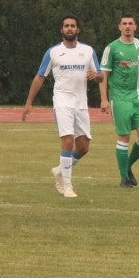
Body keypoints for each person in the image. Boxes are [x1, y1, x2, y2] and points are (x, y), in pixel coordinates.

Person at [22, 14, 100, 199]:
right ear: (61, 29)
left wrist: (96, 76)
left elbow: (101, 76)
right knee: (67, 140)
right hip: (62, 101)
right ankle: (67, 186)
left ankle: (59, 171)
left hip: (81, 103)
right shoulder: (53, 52)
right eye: (66, 26)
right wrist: (29, 102)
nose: (69, 28)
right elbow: (40, 76)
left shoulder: (88, 51)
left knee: (83, 147)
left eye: (72, 25)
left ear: (78, 29)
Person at [99, 15, 139, 188]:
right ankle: (124, 178)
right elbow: (103, 74)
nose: (127, 26)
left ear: (135, 26)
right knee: (124, 137)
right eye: (124, 24)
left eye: (130, 24)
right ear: (119, 27)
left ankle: (127, 166)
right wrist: (104, 99)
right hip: (119, 98)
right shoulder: (111, 48)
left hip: (138, 97)